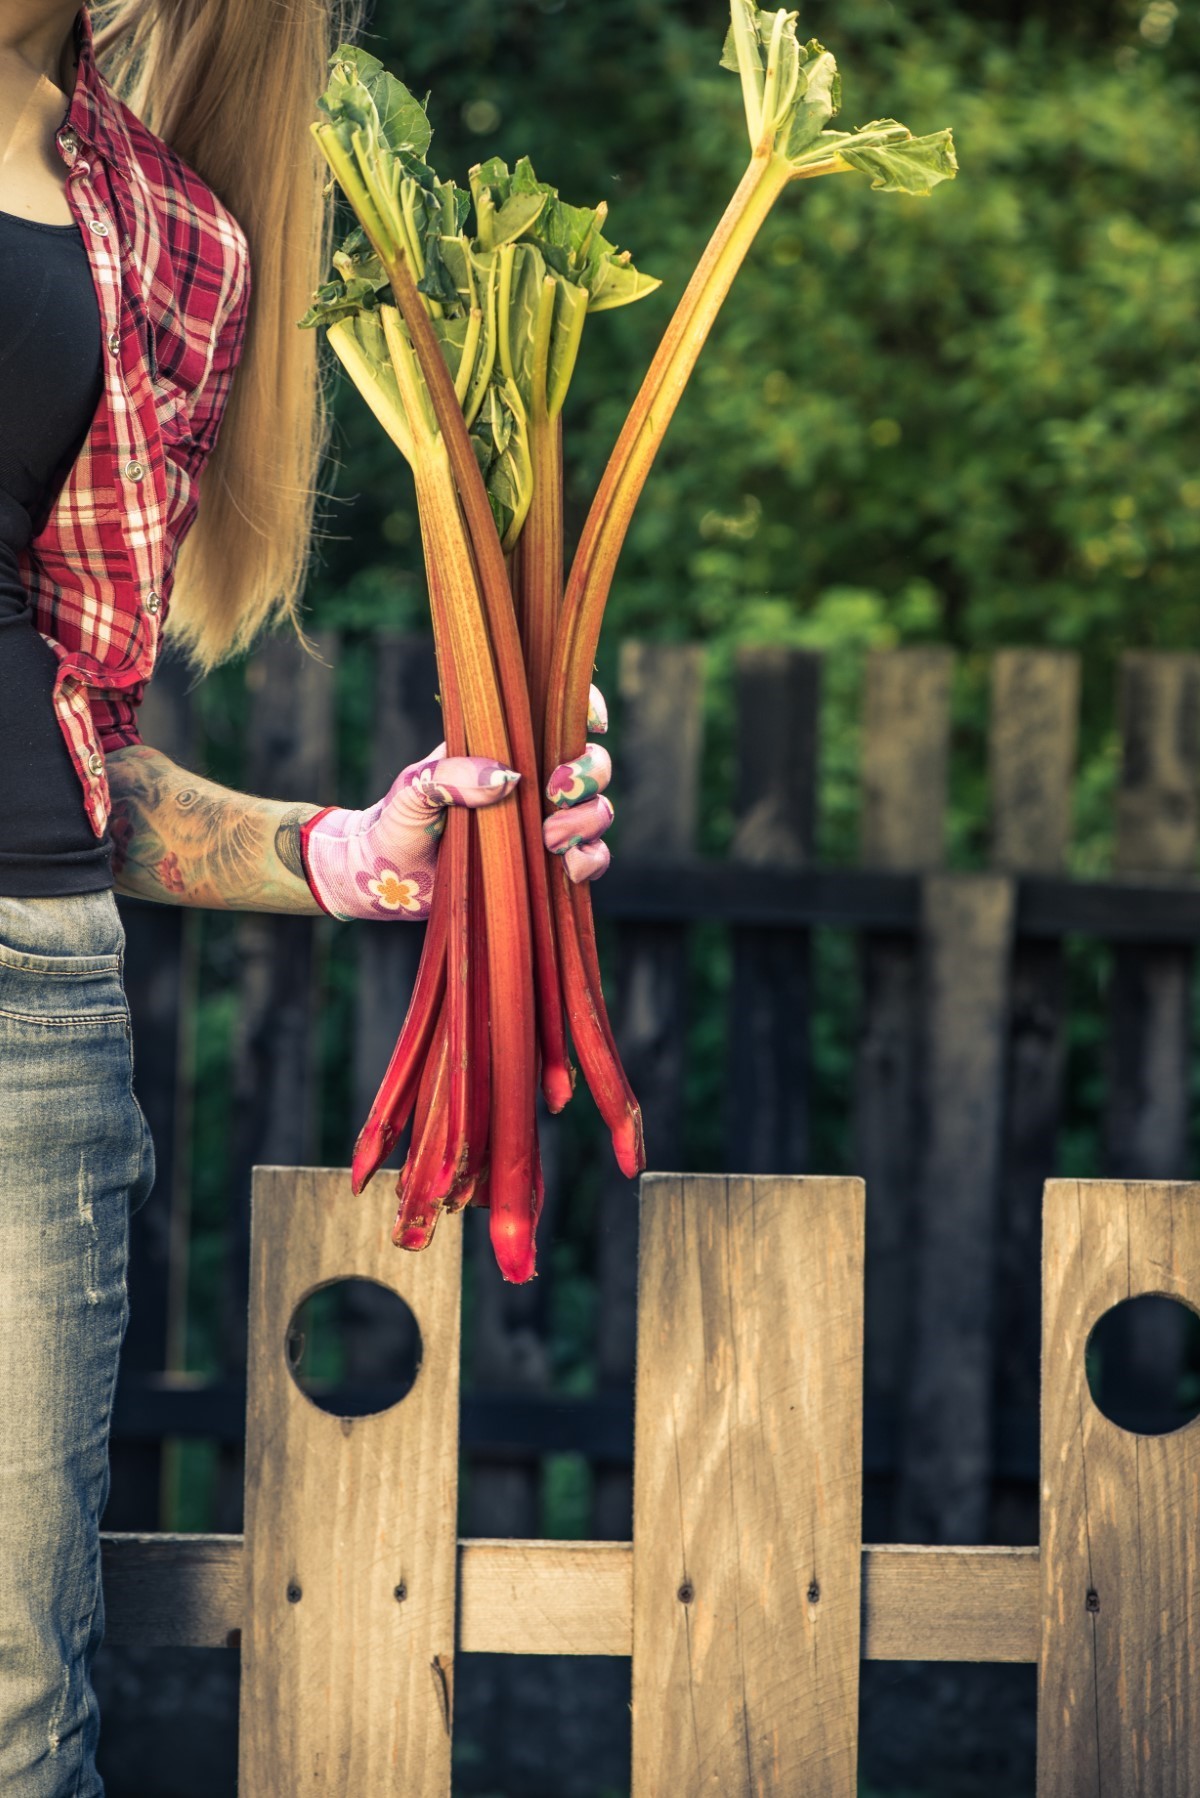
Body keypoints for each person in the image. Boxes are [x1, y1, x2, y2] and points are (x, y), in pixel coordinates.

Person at [0, 2, 615, 1789]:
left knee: (16, 1724)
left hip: (22, 995)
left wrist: (350, 848)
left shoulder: (171, 237)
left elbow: (89, 746)